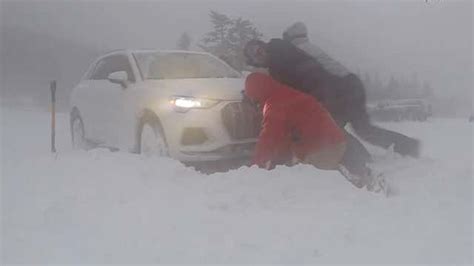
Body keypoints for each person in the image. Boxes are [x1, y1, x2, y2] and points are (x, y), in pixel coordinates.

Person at [243, 37, 420, 182]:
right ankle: (406, 149)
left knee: (335, 129)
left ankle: (362, 163)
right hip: (342, 87)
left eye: (258, 49)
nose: (260, 54)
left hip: (337, 89)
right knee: (362, 129)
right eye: (255, 56)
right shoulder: (279, 60)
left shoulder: (280, 53)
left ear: (263, 45)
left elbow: (305, 75)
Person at [245, 72, 383, 191]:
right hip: (332, 142)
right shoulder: (285, 94)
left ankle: (370, 189)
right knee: (321, 178)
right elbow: (283, 137)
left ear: (257, 92)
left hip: (321, 148)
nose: (254, 103)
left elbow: (269, 137)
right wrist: (278, 161)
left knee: (319, 184)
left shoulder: (275, 104)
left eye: (253, 98)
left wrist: (256, 166)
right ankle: (367, 180)